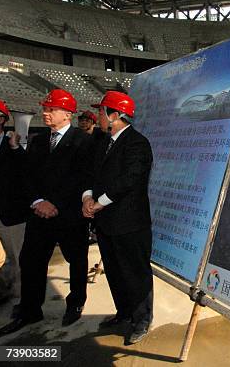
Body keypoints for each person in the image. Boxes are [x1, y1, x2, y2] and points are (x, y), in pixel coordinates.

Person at [0, 90, 93, 337]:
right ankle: (30, 310)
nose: (45, 113)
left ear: (67, 114)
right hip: (40, 215)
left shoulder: (84, 141)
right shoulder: (40, 140)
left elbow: (82, 179)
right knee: (31, 263)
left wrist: (55, 204)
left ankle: (75, 303)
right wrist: (38, 201)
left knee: (77, 262)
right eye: (46, 108)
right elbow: (27, 175)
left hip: (70, 216)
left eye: (51, 109)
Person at [82, 91, 154, 346]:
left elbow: (129, 181)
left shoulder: (137, 143)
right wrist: (87, 198)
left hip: (130, 224)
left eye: (101, 112)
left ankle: (141, 320)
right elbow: (91, 174)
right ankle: (124, 313)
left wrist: (99, 203)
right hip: (105, 223)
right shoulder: (102, 142)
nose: (98, 117)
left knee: (135, 273)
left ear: (115, 115)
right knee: (114, 272)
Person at [0, 100, 28, 306]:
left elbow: (27, 169)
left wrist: (16, 148)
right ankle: (3, 291)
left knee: (18, 258)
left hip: (11, 212)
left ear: (1, 119)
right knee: (5, 258)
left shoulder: (12, 143)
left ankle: (21, 298)